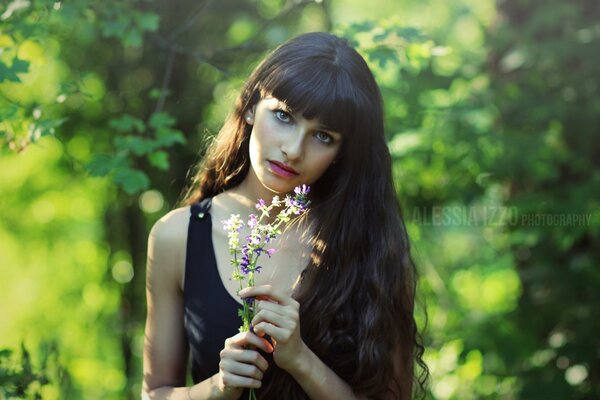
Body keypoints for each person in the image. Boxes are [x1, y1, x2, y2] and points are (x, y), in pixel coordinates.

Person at [142, 32, 427, 400]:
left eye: (323, 136)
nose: (293, 150)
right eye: (283, 116)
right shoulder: (177, 237)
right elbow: (154, 394)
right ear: (249, 106)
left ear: (343, 151)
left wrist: (300, 360)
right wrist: (218, 388)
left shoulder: (371, 245)